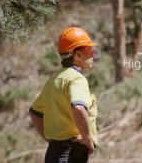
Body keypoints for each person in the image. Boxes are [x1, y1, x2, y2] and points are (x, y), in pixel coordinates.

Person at [29, 27, 99, 163]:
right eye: (90, 49)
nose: (94, 54)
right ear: (78, 55)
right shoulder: (77, 79)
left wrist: (52, 141)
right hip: (71, 154)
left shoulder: (54, 79)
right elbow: (79, 108)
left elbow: (35, 113)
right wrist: (87, 139)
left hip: (53, 154)